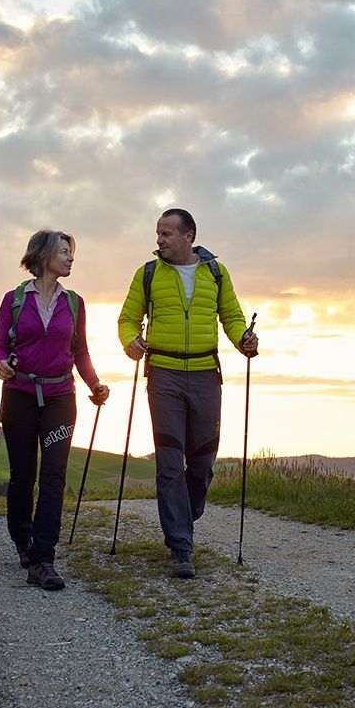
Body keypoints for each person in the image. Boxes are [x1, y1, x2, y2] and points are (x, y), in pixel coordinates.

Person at [117, 208, 258, 578]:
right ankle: (181, 546)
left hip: (205, 373)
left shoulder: (216, 272)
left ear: (188, 236)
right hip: (163, 375)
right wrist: (131, 341)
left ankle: (185, 512)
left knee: (202, 460)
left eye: (166, 233)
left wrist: (243, 339)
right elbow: (128, 318)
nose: (159, 239)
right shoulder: (148, 273)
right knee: (168, 461)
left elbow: (232, 317)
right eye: (158, 233)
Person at [0, 229, 109, 590]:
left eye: (71, 253)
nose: (71, 258)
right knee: (23, 475)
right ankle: (23, 540)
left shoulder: (74, 302)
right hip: (20, 395)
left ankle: (44, 559)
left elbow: (80, 351)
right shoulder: (14, 300)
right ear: (43, 256)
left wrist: (94, 384)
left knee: (54, 475)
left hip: (60, 397)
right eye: (64, 252)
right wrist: (1, 364)